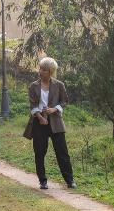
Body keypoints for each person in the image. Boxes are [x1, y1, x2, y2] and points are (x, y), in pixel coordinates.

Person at [23, 57, 76, 190]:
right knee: (39, 152)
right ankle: (43, 181)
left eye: (44, 69)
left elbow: (64, 101)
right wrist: (40, 117)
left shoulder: (59, 85)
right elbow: (33, 105)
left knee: (62, 152)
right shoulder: (33, 86)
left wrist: (55, 109)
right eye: (40, 68)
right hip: (39, 122)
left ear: (51, 71)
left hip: (56, 122)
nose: (40, 71)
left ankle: (70, 180)